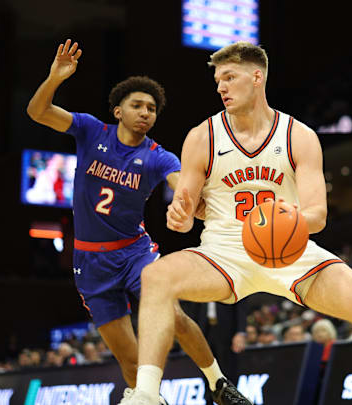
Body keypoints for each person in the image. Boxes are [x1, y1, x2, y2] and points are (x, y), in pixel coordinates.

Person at [123, 41, 352, 405]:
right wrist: (180, 218)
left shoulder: (299, 136)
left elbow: (317, 215)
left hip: (289, 249)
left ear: (257, 77)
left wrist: (282, 223)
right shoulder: (202, 137)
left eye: (229, 77)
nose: (221, 87)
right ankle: (147, 395)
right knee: (155, 276)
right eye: (218, 80)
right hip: (224, 252)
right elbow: (185, 216)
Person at [26, 39, 249, 405]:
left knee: (173, 316)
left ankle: (218, 383)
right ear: (117, 111)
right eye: (137, 105)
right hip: (90, 261)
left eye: (151, 108)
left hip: (134, 253)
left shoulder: (158, 156)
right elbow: (37, 111)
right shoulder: (89, 130)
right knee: (130, 360)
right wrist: (54, 78)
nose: (145, 112)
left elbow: (184, 190)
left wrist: (191, 205)